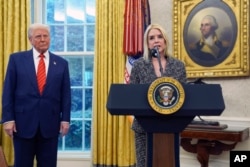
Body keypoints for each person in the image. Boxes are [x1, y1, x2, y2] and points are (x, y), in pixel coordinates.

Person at [1, 23, 71, 167]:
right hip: (22, 124)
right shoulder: (16, 60)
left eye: (46, 36)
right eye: (38, 36)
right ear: (30, 39)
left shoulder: (62, 63)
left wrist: (65, 120)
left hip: (50, 125)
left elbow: (66, 94)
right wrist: (8, 119)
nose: (43, 39)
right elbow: (8, 90)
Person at [129, 24, 187, 167]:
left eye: (160, 37)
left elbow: (184, 95)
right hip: (144, 126)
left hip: (171, 125)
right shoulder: (139, 66)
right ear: (147, 44)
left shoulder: (178, 66)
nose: (156, 40)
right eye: (151, 38)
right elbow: (132, 94)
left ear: (165, 41)